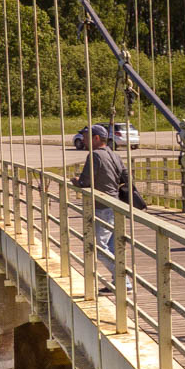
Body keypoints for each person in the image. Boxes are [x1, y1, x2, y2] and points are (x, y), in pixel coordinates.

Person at [71, 124, 143, 294]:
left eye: (87, 136)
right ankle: (122, 283)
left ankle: (123, 281)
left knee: (97, 245)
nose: (84, 140)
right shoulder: (114, 154)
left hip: (102, 206)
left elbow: (84, 182)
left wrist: (75, 181)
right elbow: (127, 177)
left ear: (96, 138)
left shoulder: (94, 155)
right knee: (112, 247)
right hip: (116, 205)